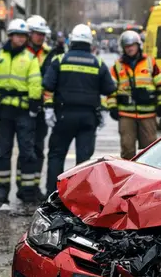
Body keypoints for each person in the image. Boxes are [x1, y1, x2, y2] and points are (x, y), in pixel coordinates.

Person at [43, 24, 116, 198]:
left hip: (63, 116)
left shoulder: (59, 60)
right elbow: (109, 88)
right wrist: (104, 111)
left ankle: (53, 194)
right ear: (90, 43)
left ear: (72, 41)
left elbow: (47, 85)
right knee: (84, 160)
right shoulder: (98, 63)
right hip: (88, 118)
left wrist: (48, 109)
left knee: (56, 155)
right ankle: (79, 197)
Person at [0, 19, 42, 211]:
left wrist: (34, 103)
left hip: (24, 112)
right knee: (3, 153)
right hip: (5, 112)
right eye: (17, 35)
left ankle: (26, 191)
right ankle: (2, 190)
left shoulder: (30, 58)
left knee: (27, 152)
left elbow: (35, 82)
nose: (21, 38)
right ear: (10, 36)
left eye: (23, 36)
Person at [106, 30, 161, 159]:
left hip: (148, 114)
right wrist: (112, 107)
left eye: (132, 45)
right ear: (123, 48)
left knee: (149, 150)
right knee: (127, 149)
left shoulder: (151, 63)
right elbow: (111, 89)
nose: (130, 49)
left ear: (138, 45)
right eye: (127, 46)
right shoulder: (117, 66)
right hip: (126, 115)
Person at [21, 15, 52, 202]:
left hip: (41, 108)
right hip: (24, 108)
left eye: (42, 34)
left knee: (39, 148)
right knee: (25, 149)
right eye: (37, 34)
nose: (40, 37)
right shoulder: (21, 53)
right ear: (29, 34)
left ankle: (34, 186)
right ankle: (23, 186)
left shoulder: (49, 54)